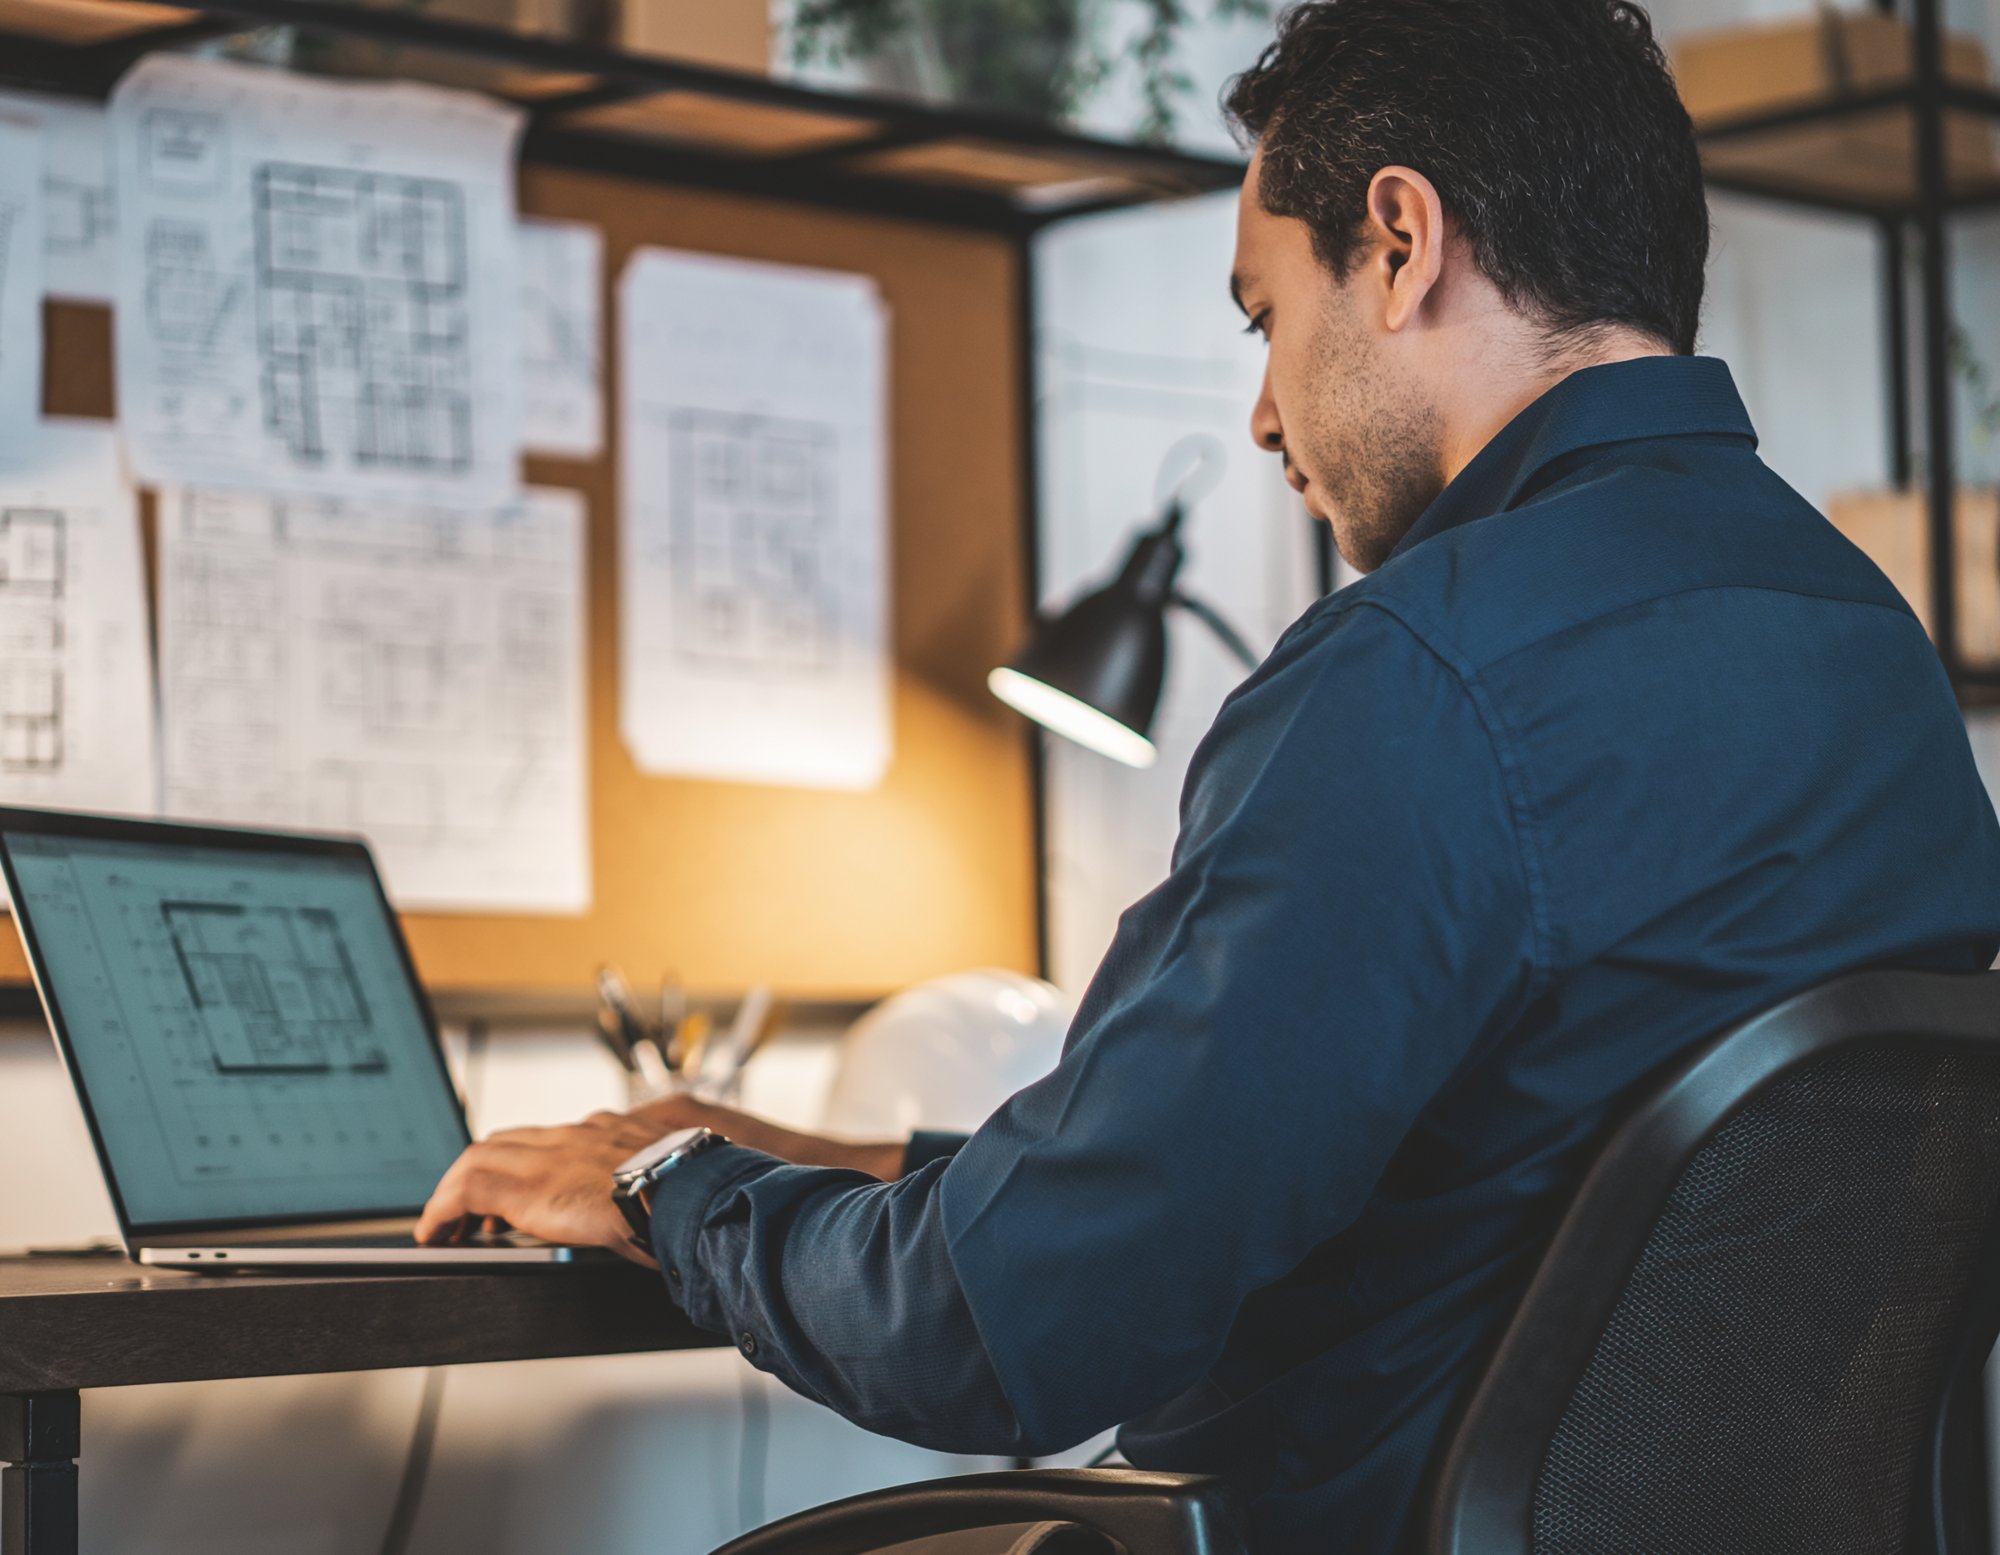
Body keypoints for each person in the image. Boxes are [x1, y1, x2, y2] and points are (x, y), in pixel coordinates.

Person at [416, 0, 2000, 1548]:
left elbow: (995, 1329)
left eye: (1264, 314)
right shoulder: (1874, 659)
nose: (1260, 413)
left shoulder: (1420, 673)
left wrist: (668, 1194)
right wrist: (832, 1166)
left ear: (1399, 241)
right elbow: (1447, 1181)